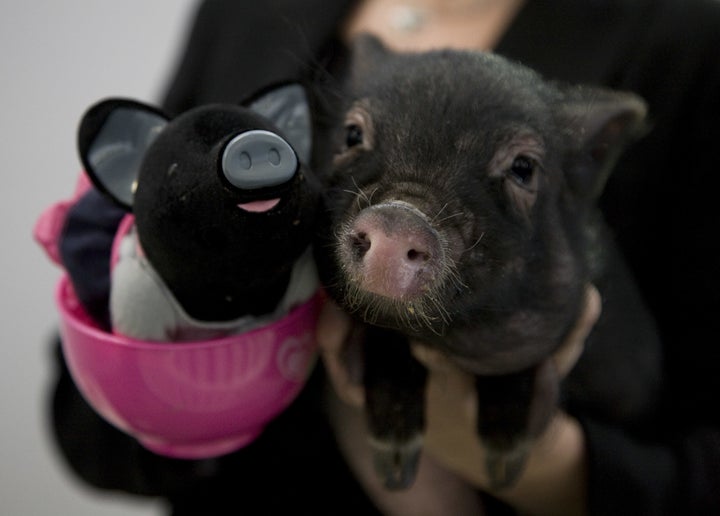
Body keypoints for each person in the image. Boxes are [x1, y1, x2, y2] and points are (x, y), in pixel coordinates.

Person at [49, 0, 720, 514]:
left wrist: (545, 467)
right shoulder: (248, 11)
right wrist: (201, 384)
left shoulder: (687, 40)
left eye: (517, 170)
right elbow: (86, 423)